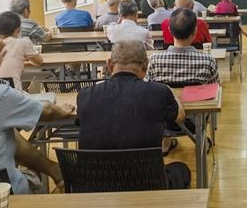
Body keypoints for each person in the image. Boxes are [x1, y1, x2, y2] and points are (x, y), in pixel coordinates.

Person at [76, 40, 191, 189]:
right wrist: (172, 93)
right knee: (181, 169)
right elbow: (179, 117)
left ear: (109, 65)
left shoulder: (85, 95)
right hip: (147, 182)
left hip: (94, 184)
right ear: (146, 66)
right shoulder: (159, 92)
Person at [0, 36, 75, 194]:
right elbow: (46, 112)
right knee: (8, 132)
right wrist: (62, 110)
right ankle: (53, 171)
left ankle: (53, 170)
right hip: (5, 195)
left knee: (4, 129)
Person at [147, 8, 220, 85]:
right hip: (196, 93)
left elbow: (148, 86)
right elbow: (216, 87)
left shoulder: (154, 60)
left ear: (170, 31)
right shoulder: (208, 61)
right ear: (195, 31)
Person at [0, 12, 43, 90]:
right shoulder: (23, 42)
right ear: (18, 29)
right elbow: (39, 62)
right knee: (38, 78)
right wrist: (27, 57)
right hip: (12, 92)